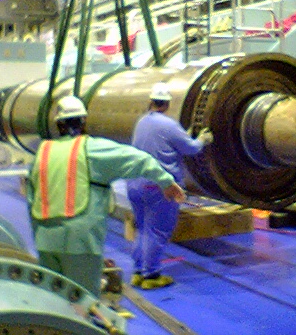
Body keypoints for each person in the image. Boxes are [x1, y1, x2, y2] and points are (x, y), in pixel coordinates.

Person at [26, 95, 185, 297]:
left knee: (54, 298)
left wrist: (38, 236)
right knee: (82, 299)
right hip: (80, 241)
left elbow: (31, 201)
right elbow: (138, 159)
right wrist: (166, 181)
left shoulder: (43, 152)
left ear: (58, 124)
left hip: (45, 240)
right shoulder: (92, 149)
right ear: (83, 121)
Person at [127, 82, 214, 290]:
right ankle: (152, 276)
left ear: (151, 102)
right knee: (157, 230)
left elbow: (164, 141)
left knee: (143, 228)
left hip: (135, 184)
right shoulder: (168, 124)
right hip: (159, 188)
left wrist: (183, 134)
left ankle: (139, 272)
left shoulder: (142, 122)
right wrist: (201, 139)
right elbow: (192, 149)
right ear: (167, 104)